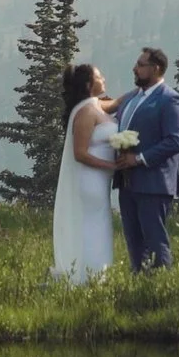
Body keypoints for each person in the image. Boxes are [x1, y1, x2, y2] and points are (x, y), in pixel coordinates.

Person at [111, 46, 179, 272]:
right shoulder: (131, 98)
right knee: (134, 243)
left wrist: (139, 158)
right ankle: (140, 285)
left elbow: (175, 140)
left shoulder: (170, 100)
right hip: (127, 183)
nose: (134, 69)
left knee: (155, 241)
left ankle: (162, 286)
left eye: (140, 65)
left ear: (156, 69)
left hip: (154, 183)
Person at [50, 63, 120, 282]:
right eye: (99, 77)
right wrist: (112, 166)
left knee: (100, 225)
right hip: (91, 180)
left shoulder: (96, 105)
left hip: (99, 180)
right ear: (89, 84)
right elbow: (80, 153)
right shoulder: (86, 113)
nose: (104, 79)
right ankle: (87, 277)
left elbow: (115, 103)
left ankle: (96, 274)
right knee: (93, 227)